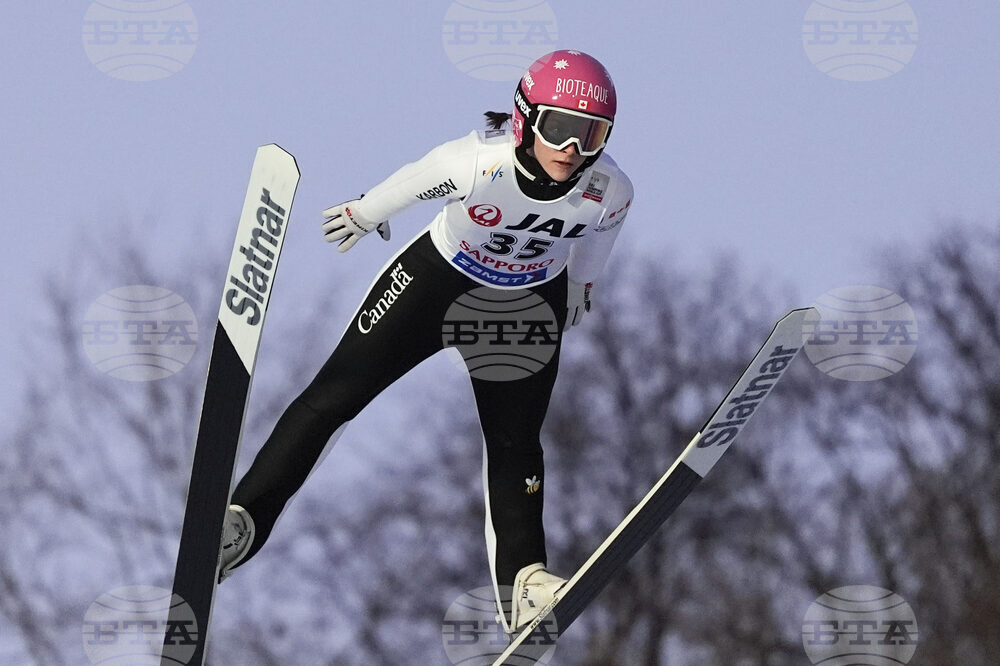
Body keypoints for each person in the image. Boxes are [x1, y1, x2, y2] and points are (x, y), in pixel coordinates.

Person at [218, 49, 633, 634]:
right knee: (332, 399)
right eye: (559, 128)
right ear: (524, 118)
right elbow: (415, 181)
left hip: (522, 307)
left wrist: (582, 288)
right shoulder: (479, 161)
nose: (573, 149)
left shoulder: (609, 188)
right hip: (436, 284)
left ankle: (527, 584)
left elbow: (599, 238)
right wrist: (363, 213)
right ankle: (243, 524)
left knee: (516, 442)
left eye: (591, 134)